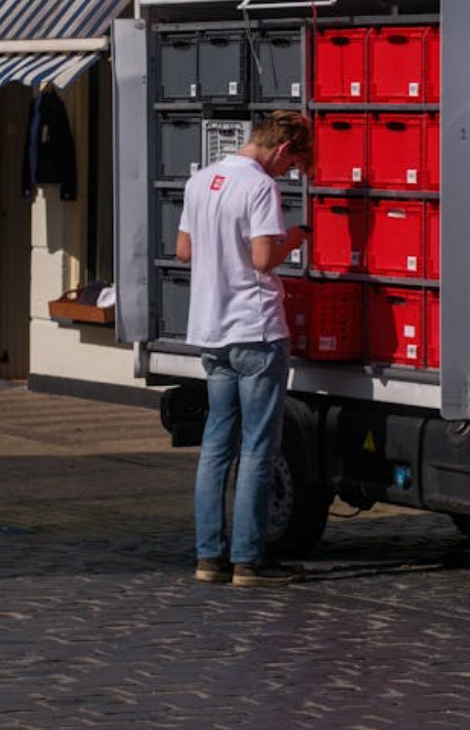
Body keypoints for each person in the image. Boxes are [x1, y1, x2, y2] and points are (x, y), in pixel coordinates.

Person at [176, 110, 314, 588]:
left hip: (211, 332)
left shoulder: (200, 179)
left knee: (216, 445)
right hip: (255, 330)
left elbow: (184, 251)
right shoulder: (260, 187)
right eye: (291, 161)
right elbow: (262, 259)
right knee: (258, 448)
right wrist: (293, 239)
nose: (288, 171)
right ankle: (250, 560)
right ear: (282, 148)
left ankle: (208, 556)